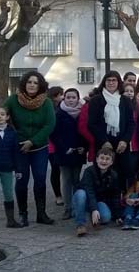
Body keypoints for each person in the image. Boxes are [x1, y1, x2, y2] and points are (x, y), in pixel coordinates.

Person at [3, 71, 56, 226]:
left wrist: (32, 141)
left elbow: (50, 125)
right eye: (29, 82)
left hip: (39, 148)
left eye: (36, 83)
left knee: (40, 180)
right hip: (20, 149)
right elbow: (2, 116)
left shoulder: (46, 103)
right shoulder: (13, 100)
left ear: (40, 86)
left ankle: (41, 214)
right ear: (24, 84)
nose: (32, 85)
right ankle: (22, 214)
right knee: (21, 181)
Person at [88, 71, 136, 190]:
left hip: (121, 144)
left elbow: (131, 123)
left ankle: (120, 202)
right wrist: (104, 141)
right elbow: (92, 124)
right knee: (103, 174)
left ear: (118, 83)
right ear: (104, 82)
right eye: (108, 80)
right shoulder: (96, 100)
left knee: (122, 174)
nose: (111, 83)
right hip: (103, 143)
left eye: (114, 80)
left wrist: (125, 141)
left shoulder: (125, 101)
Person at [51, 88, 87, 220]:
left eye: (73, 97)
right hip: (63, 152)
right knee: (66, 180)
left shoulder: (83, 112)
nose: (71, 100)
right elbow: (54, 134)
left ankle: (78, 206)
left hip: (78, 152)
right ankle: (67, 208)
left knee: (76, 180)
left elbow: (86, 131)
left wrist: (84, 147)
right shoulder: (58, 114)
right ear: (64, 99)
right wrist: (63, 148)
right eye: (68, 97)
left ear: (78, 98)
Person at [72, 148, 122, 237]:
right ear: (96, 159)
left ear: (111, 162)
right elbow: (89, 191)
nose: (104, 161)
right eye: (102, 158)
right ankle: (80, 224)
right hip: (85, 198)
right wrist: (94, 209)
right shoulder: (89, 171)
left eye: (107, 159)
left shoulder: (113, 175)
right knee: (81, 194)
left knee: (106, 217)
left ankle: (91, 215)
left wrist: (118, 216)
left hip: (99, 200)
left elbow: (116, 195)